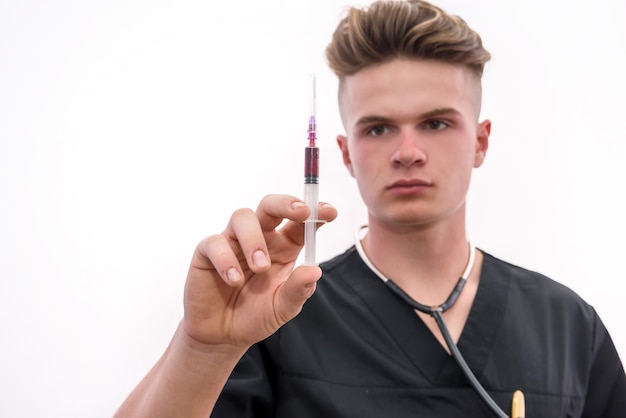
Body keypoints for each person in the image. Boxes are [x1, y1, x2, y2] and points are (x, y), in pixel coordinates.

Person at [115, 0, 626, 416]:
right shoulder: (277, 316)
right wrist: (203, 349)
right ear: (344, 154)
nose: (407, 152)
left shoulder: (567, 328)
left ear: (480, 142)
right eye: (378, 128)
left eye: (436, 123)